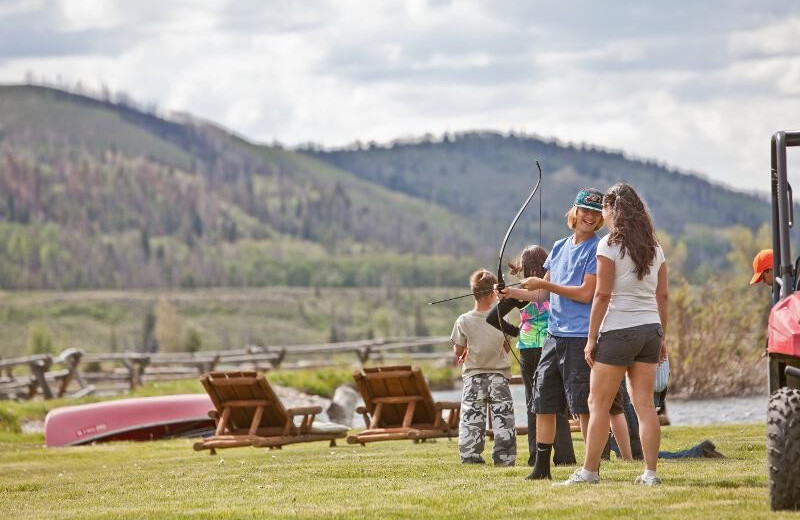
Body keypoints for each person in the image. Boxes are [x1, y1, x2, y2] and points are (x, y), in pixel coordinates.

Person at [560, 182, 667, 486]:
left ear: (612, 211)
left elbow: (602, 295)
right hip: (650, 330)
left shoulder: (608, 245)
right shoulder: (655, 248)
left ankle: (590, 471)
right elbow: (663, 298)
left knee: (597, 404)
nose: (602, 215)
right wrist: (664, 338)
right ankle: (650, 473)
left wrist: (591, 338)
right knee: (645, 405)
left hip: (619, 330)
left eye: (604, 209)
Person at [502, 188, 606, 480]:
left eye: (595, 213)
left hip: (579, 337)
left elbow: (586, 294)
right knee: (542, 402)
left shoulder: (597, 250)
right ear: (574, 211)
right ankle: (541, 469)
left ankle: (590, 469)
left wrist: (545, 286)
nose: (589, 216)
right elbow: (537, 294)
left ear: (600, 219)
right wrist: (510, 291)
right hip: (554, 335)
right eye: (585, 210)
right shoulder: (559, 247)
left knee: (583, 405)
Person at [486, 245, 576, 468]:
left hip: (528, 348)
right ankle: (565, 457)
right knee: (558, 401)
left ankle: (536, 456)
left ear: (524, 266)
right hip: (552, 344)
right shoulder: (552, 287)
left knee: (532, 401)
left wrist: (518, 332)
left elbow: (492, 317)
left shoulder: (521, 293)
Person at [450, 269, 516, 466]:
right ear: (493, 293)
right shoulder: (503, 319)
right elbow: (506, 346)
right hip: (498, 376)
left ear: (473, 292)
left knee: (471, 419)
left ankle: (470, 457)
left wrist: (463, 349)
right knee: (503, 419)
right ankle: (504, 458)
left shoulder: (463, 320)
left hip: (474, 377)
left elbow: (457, 350)